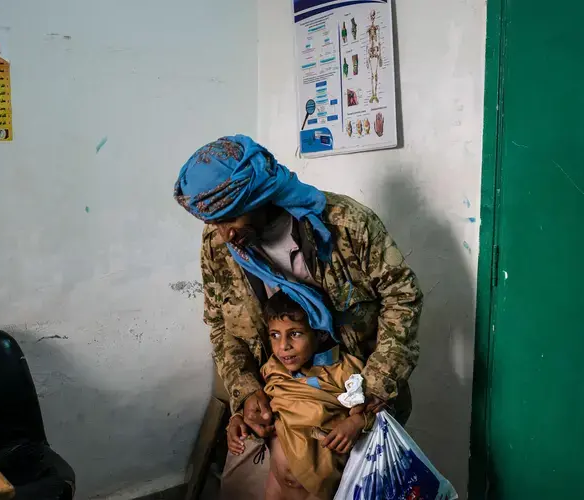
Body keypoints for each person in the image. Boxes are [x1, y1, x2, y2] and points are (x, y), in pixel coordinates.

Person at [174, 134, 422, 497]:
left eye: (230, 218)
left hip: (354, 389)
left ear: (257, 196)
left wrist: (367, 397)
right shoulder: (220, 245)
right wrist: (246, 392)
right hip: (280, 395)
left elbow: (402, 298)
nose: (224, 233)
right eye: (214, 223)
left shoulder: (345, 224)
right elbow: (221, 324)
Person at [228, 292, 373, 499]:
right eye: (275, 335)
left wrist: (357, 421)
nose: (283, 346)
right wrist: (237, 419)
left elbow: (377, 412)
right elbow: (257, 407)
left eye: (295, 334)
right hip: (277, 484)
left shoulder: (345, 372)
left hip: (318, 491)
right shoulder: (272, 370)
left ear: (320, 333)